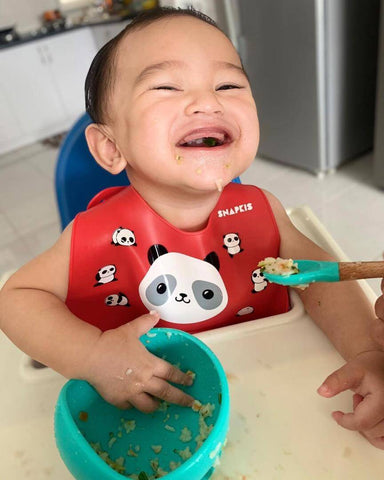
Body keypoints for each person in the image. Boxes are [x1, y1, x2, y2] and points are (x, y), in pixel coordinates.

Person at [0, 7, 384, 449]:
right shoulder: (94, 236)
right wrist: (92, 356)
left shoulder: (261, 212)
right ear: (110, 146)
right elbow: (16, 299)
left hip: (266, 399)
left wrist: (367, 355)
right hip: (145, 420)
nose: (208, 101)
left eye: (229, 85)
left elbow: (323, 281)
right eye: (166, 86)